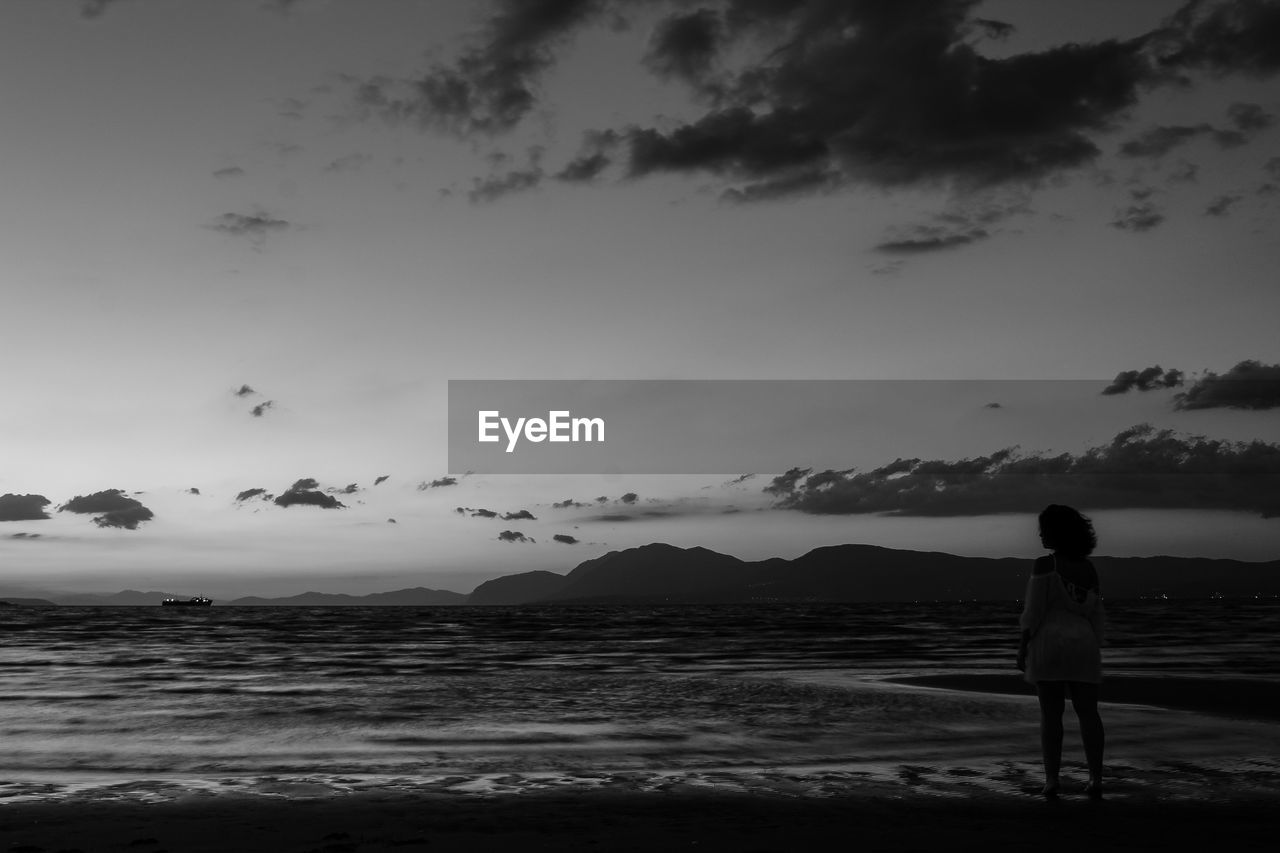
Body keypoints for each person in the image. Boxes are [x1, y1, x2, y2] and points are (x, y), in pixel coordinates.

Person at [1017, 504, 1105, 799]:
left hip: (1050, 643)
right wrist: (1096, 643)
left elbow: (1033, 612)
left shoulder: (1045, 566)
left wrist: (1023, 646)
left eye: (1044, 529)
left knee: (1051, 715)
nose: (1040, 535)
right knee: (1089, 713)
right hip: (1084, 642)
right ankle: (1095, 778)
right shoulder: (1088, 568)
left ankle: (1052, 779)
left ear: (1057, 533)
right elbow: (1096, 613)